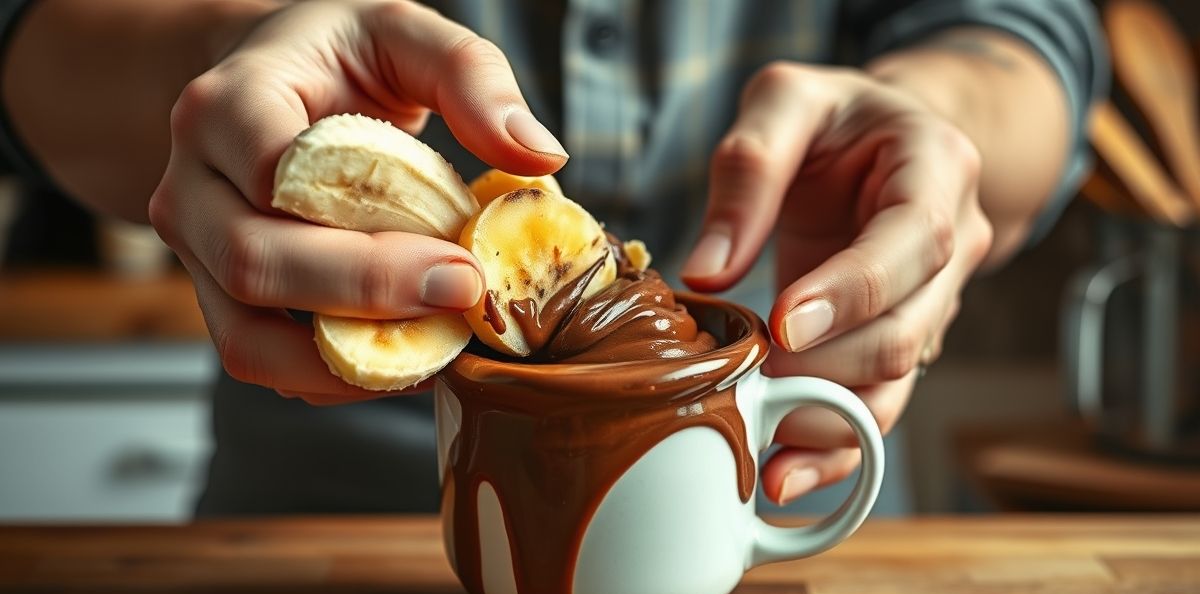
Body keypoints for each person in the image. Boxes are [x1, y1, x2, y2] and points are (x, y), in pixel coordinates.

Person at [0, 0, 1105, 514]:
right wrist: (218, 60)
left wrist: (935, 122)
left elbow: (1027, 32)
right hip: (314, 565)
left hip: (791, 490)